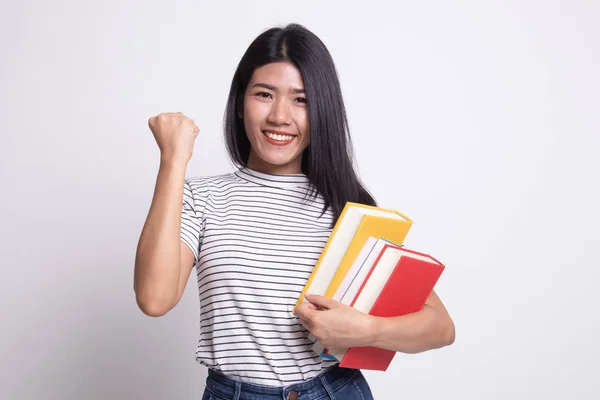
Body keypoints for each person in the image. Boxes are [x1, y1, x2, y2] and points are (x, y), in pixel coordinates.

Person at [134, 23, 455, 400]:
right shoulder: (200, 198)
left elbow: (439, 326)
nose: (280, 116)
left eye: (300, 100)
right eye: (264, 94)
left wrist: (365, 331)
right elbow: (154, 298)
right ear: (240, 103)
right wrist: (173, 161)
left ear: (322, 111)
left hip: (333, 390)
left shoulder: (349, 208)